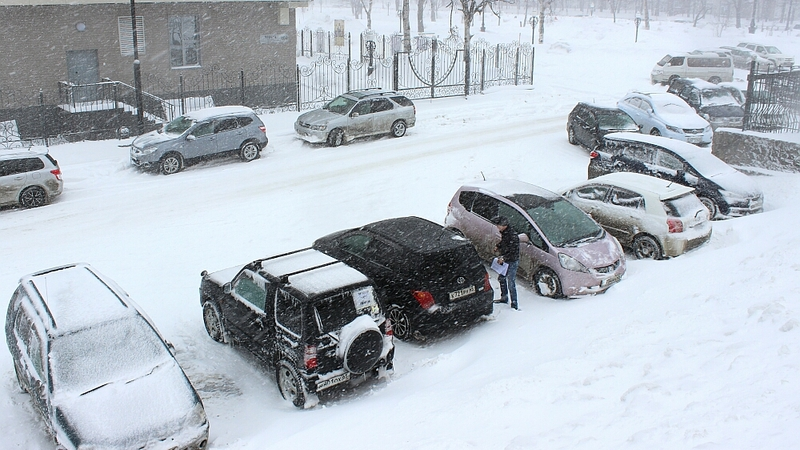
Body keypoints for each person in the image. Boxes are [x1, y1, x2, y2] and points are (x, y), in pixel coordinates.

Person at [492, 216, 520, 310]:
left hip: (511, 261)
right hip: (505, 260)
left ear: (504, 225)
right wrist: (498, 246)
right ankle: (504, 297)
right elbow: (504, 242)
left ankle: (514, 304)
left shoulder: (512, 236)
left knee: (511, 282)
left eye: (498, 225)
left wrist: (504, 258)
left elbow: (513, 251)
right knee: (501, 278)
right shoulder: (505, 233)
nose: (497, 227)